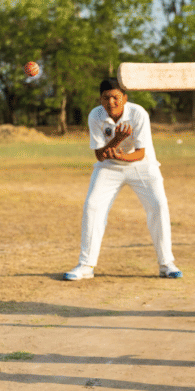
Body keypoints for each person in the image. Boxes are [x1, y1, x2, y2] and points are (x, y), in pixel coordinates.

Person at [63, 78, 182, 280]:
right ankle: (86, 265)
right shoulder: (95, 115)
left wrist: (120, 155)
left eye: (115, 97)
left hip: (142, 166)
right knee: (92, 206)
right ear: (100, 99)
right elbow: (100, 156)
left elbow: (140, 153)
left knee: (158, 206)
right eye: (106, 98)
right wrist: (117, 140)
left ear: (124, 98)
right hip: (109, 167)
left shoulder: (138, 113)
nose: (111, 102)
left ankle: (166, 264)